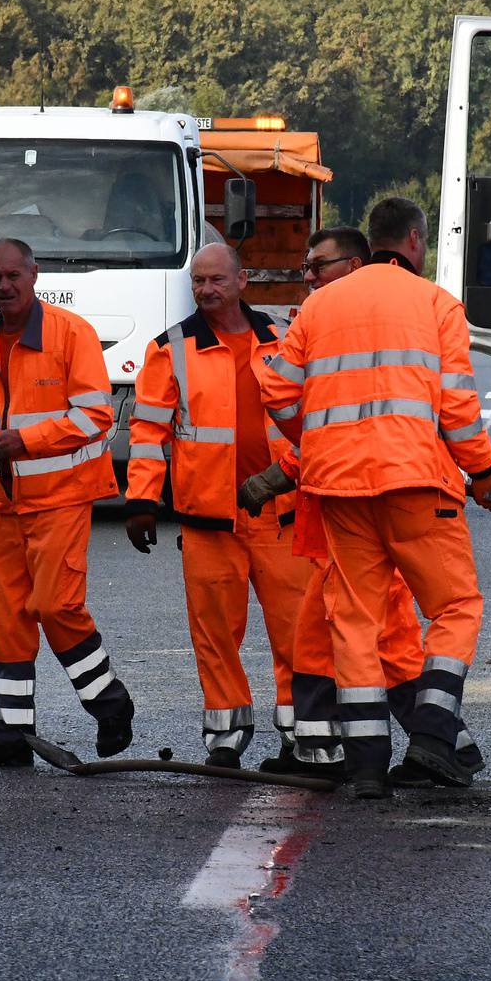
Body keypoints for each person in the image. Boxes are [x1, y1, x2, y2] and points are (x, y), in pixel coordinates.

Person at [256, 230, 491, 799]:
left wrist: (317, 438)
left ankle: (368, 766)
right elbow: (457, 404)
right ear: (415, 242)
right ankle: (434, 735)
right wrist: (485, 469)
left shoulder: (319, 305)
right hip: (417, 482)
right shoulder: (436, 303)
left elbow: (279, 392)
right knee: (455, 606)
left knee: (353, 620)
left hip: (339, 487)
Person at [0, 237, 136, 762]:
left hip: (60, 498)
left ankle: (109, 702)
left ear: (35, 274)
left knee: (56, 605)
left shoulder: (71, 333)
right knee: (7, 616)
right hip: (1, 504)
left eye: (13, 276)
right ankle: (12, 732)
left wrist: (19, 441)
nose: (4, 286)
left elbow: (96, 415)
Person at [125, 244, 309, 768]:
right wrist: (141, 499)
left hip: (280, 511)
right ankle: (226, 739)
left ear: (242, 280)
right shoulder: (171, 348)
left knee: (296, 629)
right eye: (198, 282)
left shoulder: (284, 339)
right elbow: (147, 432)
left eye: (216, 280)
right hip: (208, 518)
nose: (206, 290)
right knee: (214, 634)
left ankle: (300, 734)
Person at [366, 195, 431, 275]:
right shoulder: (428, 288)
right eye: (424, 241)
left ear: (369, 244)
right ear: (414, 238)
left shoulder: (346, 284)